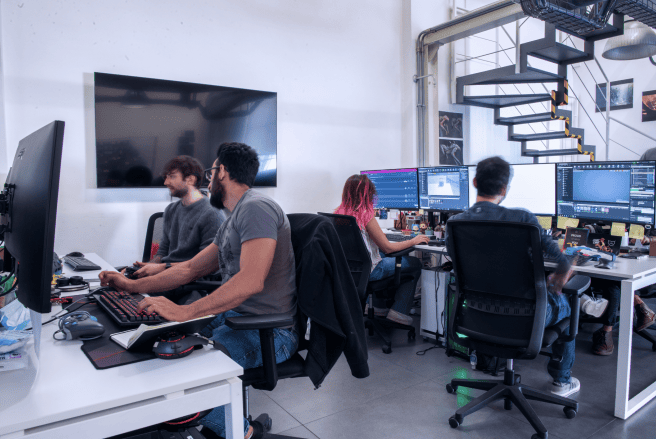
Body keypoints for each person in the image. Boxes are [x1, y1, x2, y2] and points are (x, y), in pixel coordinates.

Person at [99, 142, 298, 439]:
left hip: (269, 331)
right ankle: (230, 423)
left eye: (211, 172)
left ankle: (244, 432)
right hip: (234, 317)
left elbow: (251, 280)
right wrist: (132, 285)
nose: (207, 179)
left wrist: (186, 310)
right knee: (161, 350)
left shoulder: (257, 208)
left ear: (223, 173)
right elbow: (190, 269)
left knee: (184, 382)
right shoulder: (234, 216)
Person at [447, 156, 580, 397]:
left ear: (475, 182)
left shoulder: (455, 223)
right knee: (570, 306)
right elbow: (562, 261)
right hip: (526, 315)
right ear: (504, 189)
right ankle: (561, 380)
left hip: (474, 312)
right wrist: (558, 278)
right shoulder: (523, 219)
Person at [334, 174, 430, 326]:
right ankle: (399, 312)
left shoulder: (338, 213)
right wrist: (413, 240)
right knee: (414, 263)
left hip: (349, 271)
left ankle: (378, 307)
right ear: (367, 194)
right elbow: (388, 247)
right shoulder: (366, 215)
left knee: (383, 255)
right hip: (370, 271)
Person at [133, 155, 226, 280]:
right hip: (167, 275)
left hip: (191, 283)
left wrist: (162, 268)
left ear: (190, 179)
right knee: (121, 286)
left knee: (132, 292)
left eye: (172, 176)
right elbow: (163, 251)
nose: (166, 182)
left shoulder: (212, 213)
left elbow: (206, 266)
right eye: (165, 177)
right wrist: (151, 265)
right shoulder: (171, 210)